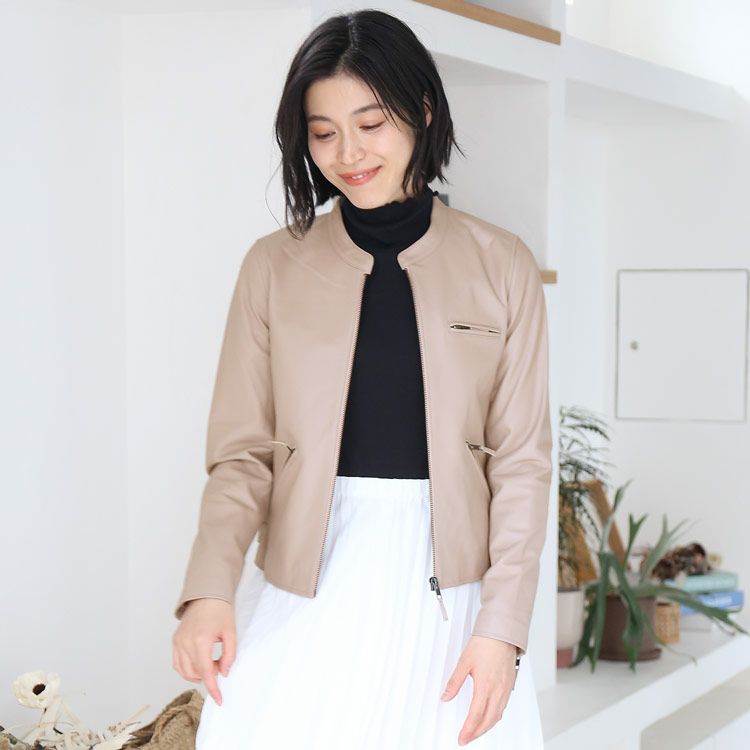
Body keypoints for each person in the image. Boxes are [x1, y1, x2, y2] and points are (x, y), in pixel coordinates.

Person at [171, 8, 552, 749]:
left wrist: (502, 629)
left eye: (370, 123)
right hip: (304, 577)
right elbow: (241, 455)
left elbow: (522, 464)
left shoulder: (503, 264)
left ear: (423, 111)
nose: (348, 153)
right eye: (323, 133)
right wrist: (209, 589)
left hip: (453, 594)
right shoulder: (272, 266)